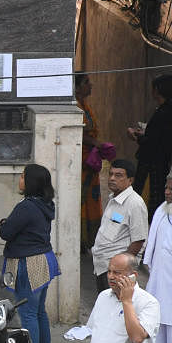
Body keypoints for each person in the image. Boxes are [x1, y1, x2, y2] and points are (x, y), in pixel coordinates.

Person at [0, 163, 61, 343]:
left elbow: (6, 233)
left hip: (29, 263)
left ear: (31, 182)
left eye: (24, 177)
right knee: (39, 310)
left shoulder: (26, 207)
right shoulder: (45, 204)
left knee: (28, 313)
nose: (20, 180)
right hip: (44, 260)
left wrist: (4, 224)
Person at [144, 168, 172, 343]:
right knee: (158, 333)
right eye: (167, 188)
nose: (167, 192)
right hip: (158, 282)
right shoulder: (161, 211)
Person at [91, 158, 149, 291]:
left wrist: (121, 269)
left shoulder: (135, 203)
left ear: (130, 180)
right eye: (110, 174)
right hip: (103, 267)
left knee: (118, 309)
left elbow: (138, 241)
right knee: (106, 308)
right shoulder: (113, 198)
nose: (112, 178)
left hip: (117, 272)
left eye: (118, 175)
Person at [130, 73, 172, 214]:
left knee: (146, 197)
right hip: (160, 161)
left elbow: (154, 142)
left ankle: (146, 225)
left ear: (157, 90)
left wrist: (136, 136)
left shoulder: (165, 112)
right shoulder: (170, 109)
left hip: (152, 164)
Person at [77, 73, 102, 248]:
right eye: (86, 83)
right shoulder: (76, 108)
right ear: (77, 87)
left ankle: (89, 239)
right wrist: (96, 143)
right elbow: (79, 132)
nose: (90, 85)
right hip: (81, 160)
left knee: (91, 199)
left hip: (91, 160)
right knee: (80, 198)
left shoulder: (85, 106)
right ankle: (79, 238)